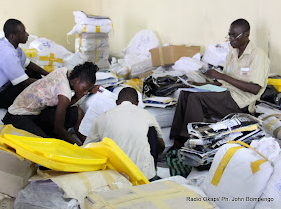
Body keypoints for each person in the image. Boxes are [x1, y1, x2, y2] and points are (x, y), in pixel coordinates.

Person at [170, 19, 270, 148]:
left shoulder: (257, 55)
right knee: (185, 94)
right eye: (229, 35)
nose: (230, 39)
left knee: (196, 99)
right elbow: (223, 82)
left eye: (234, 35)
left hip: (241, 101)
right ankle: (176, 141)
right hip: (226, 93)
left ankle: (192, 143)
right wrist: (197, 86)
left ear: (246, 35)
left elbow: (254, 89)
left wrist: (221, 76)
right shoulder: (232, 53)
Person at [3, 62, 100, 145]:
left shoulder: (65, 72)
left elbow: (65, 103)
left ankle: (86, 141)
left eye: (88, 90)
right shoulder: (64, 92)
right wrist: (79, 146)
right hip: (17, 116)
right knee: (47, 144)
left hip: (38, 112)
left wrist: (83, 92)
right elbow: (59, 128)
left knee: (77, 112)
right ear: (77, 80)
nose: (86, 92)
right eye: (85, 89)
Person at [84, 87, 165, 180]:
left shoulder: (102, 116)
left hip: (115, 174)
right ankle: (151, 173)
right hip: (143, 175)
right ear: (137, 103)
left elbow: (87, 147)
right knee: (152, 131)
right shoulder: (147, 114)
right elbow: (161, 144)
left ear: (117, 102)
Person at [0, 19, 49, 109]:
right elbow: (23, 82)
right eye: (23, 32)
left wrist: (49, 75)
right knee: (31, 89)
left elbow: (27, 64)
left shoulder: (10, 45)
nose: (27, 34)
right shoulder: (7, 52)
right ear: (13, 36)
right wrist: (49, 83)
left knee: (34, 74)